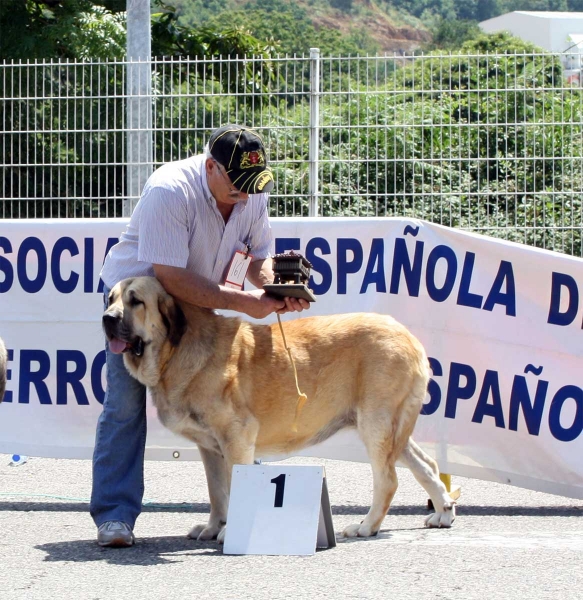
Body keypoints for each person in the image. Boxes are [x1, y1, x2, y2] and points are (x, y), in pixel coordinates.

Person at [91, 124, 309, 547]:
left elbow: (257, 258)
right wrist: (246, 303)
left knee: (225, 408)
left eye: (254, 186)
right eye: (237, 187)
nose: (246, 196)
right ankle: (115, 517)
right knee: (124, 403)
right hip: (141, 303)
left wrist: (276, 290)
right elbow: (171, 279)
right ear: (211, 167)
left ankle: (240, 514)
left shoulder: (250, 189)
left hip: (202, 303)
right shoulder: (170, 191)